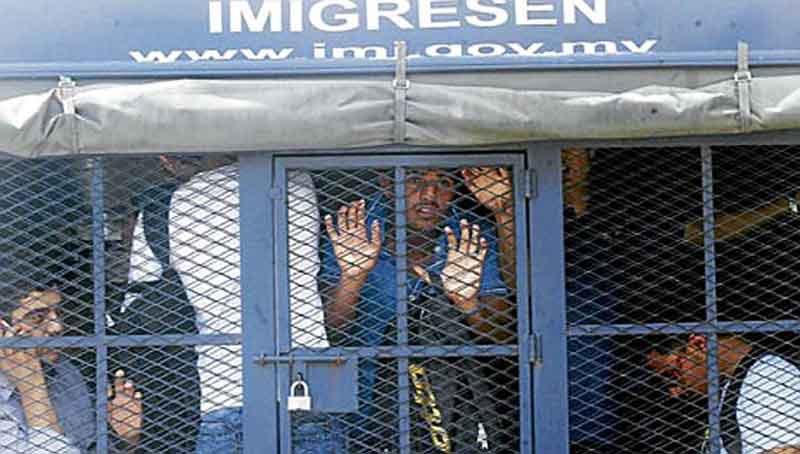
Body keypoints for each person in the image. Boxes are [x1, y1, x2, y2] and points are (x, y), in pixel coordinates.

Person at [127, 159, 332, 453]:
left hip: (223, 387)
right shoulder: (297, 179)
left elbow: (138, 304)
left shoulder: (165, 207)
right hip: (309, 384)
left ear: (167, 160)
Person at [321, 167, 516, 452]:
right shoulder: (353, 229)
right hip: (365, 412)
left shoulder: (470, 235)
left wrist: (468, 303)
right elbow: (330, 331)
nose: (430, 194)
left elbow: (504, 336)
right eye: (415, 180)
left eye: (444, 182)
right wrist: (353, 277)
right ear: (387, 184)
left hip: (453, 412)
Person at [0, 289, 142, 454]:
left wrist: (126, 442)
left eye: (59, 313)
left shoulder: (64, 371)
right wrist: (33, 390)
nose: (57, 327)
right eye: (37, 317)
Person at [647, 334, 800, 454]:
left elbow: (788, 451)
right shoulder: (735, 383)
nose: (674, 392)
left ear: (699, 344)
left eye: (674, 374)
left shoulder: (767, 376)